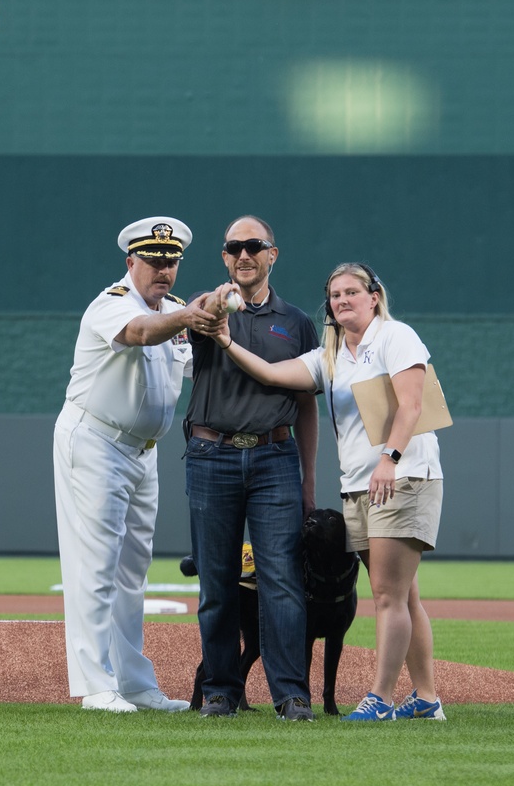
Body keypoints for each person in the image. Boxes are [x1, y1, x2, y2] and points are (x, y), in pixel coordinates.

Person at [217, 263, 446, 722]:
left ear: (374, 296)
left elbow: (413, 404)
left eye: (351, 292)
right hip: (360, 486)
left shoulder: (395, 336)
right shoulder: (332, 353)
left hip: (401, 478)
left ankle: (379, 699)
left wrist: (391, 459)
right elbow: (271, 373)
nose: (342, 301)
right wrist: (225, 340)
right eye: (334, 296)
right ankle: (426, 698)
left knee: (386, 595)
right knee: (405, 595)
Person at [55, 217, 220, 714]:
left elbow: (199, 367)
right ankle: (95, 685)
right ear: (131, 264)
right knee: (96, 564)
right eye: (153, 261)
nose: (163, 270)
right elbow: (140, 332)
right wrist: (193, 315)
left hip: (143, 450)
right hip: (95, 440)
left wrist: (222, 320)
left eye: (170, 262)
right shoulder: (112, 304)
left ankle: (132, 682)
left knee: (132, 571)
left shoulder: (174, 313)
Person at [183, 215, 320, 721]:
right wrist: (215, 304)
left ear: (272, 254)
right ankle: (221, 688)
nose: (244, 255)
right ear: (224, 257)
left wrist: (308, 480)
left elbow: (307, 405)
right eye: (234, 247)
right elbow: (196, 314)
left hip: (275, 457)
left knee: (281, 580)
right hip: (211, 454)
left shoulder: (298, 321)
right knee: (216, 580)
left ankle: (291, 694)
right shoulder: (207, 308)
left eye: (254, 246)